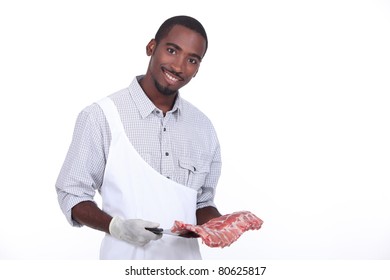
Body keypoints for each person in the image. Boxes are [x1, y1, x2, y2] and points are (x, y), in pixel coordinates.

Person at [55, 15, 222, 260]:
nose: (178, 66)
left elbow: (202, 203)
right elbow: (72, 193)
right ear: (151, 47)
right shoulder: (101, 116)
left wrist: (221, 225)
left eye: (192, 60)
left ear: (197, 69)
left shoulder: (203, 128)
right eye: (172, 50)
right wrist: (115, 226)